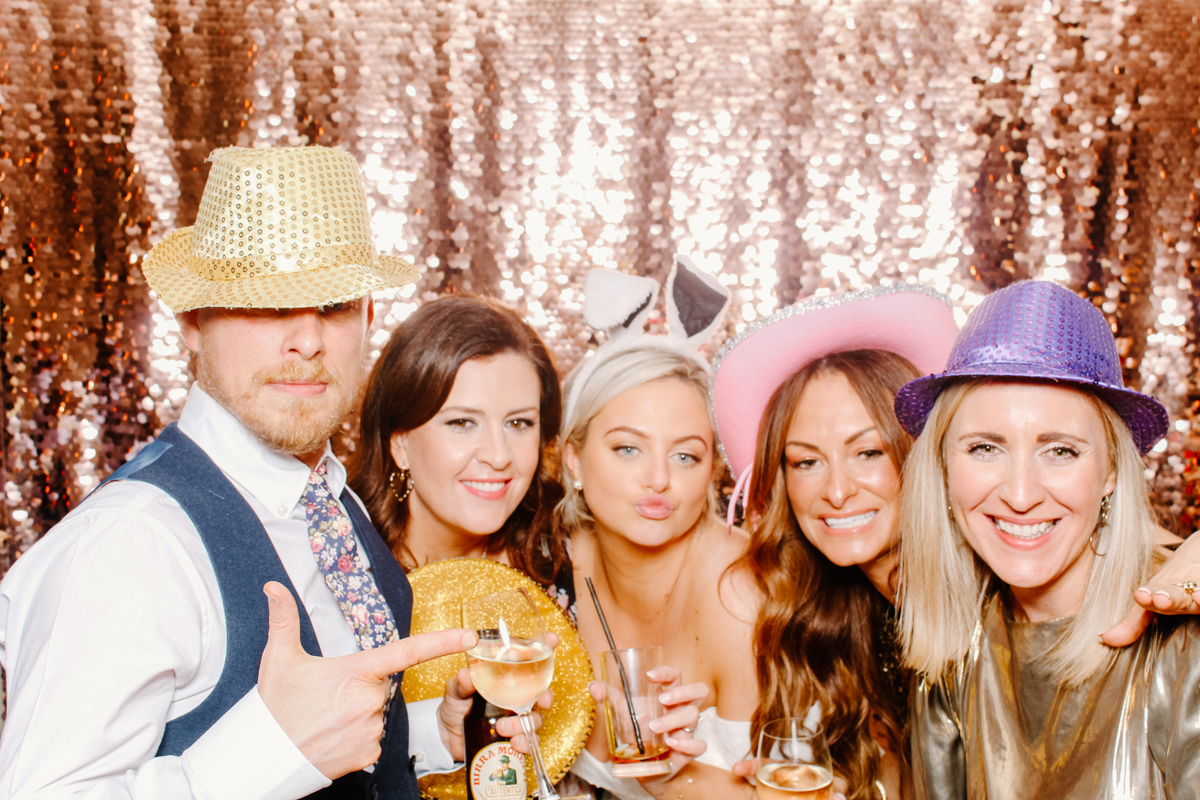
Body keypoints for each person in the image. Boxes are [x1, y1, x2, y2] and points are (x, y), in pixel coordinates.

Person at [0, 145, 474, 799]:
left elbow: (338, 732)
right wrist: (269, 754)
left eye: (333, 305)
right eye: (270, 305)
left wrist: (432, 735)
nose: (307, 340)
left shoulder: (334, 503)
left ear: (367, 318)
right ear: (193, 323)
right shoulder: (128, 545)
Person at [347, 293, 700, 784]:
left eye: (519, 423)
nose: (498, 455)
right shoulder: (343, 573)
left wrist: (649, 728)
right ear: (400, 441)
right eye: (462, 422)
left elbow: (609, 730)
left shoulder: (565, 554)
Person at [894, 280, 1200, 798]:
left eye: (1059, 451)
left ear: (1110, 473)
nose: (1019, 494)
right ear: (944, 469)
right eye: (985, 448)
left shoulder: (1182, 641)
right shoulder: (952, 643)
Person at [711, 284, 960, 800]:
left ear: (917, 452)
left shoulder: (986, 602)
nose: (838, 491)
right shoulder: (836, 614)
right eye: (806, 462)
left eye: (867, 452)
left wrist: (1179, 564)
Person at [560, 259, 753, 800]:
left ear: (714, 469)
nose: (659, 480)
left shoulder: (739, 596)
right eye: (628, 448)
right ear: (573, 457)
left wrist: (673, 778)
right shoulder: (549, 567)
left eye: (686, 456)